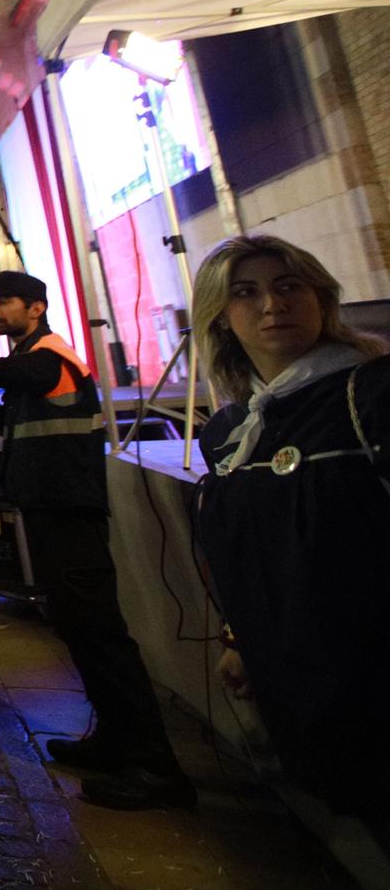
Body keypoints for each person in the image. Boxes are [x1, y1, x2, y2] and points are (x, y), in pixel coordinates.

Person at [0, 270, 193, 810]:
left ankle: (156, 766)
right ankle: (114, 739)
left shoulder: (51, 357)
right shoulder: (30, 368)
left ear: (36, 308)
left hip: (70, 514)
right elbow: (4, 414)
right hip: (47, 510)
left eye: (6, 301)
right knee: (78, 630)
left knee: (100, 634)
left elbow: (9, 372)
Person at [189, 235, 388, 829]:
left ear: (320, 299)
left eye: (288, 286)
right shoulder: (228, 431)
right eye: (246, 293)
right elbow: (247, 552)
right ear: (222, 318)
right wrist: (237, 639)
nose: (272, 304)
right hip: (296, 687)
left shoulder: (370, 392)